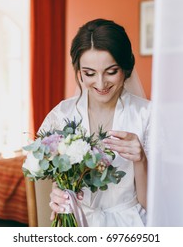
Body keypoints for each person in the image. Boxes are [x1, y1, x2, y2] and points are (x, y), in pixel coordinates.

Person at [38, 18, 151, 227]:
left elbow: (151, 204)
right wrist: (58, 194)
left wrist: (141, 160)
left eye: (111, 72)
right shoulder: (61, 116)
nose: (100, 84)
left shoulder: (146, 115)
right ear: (79, 72)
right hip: (78, 223)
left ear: (126, 69)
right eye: (90, 73)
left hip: (130, 224)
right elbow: (52, 182)